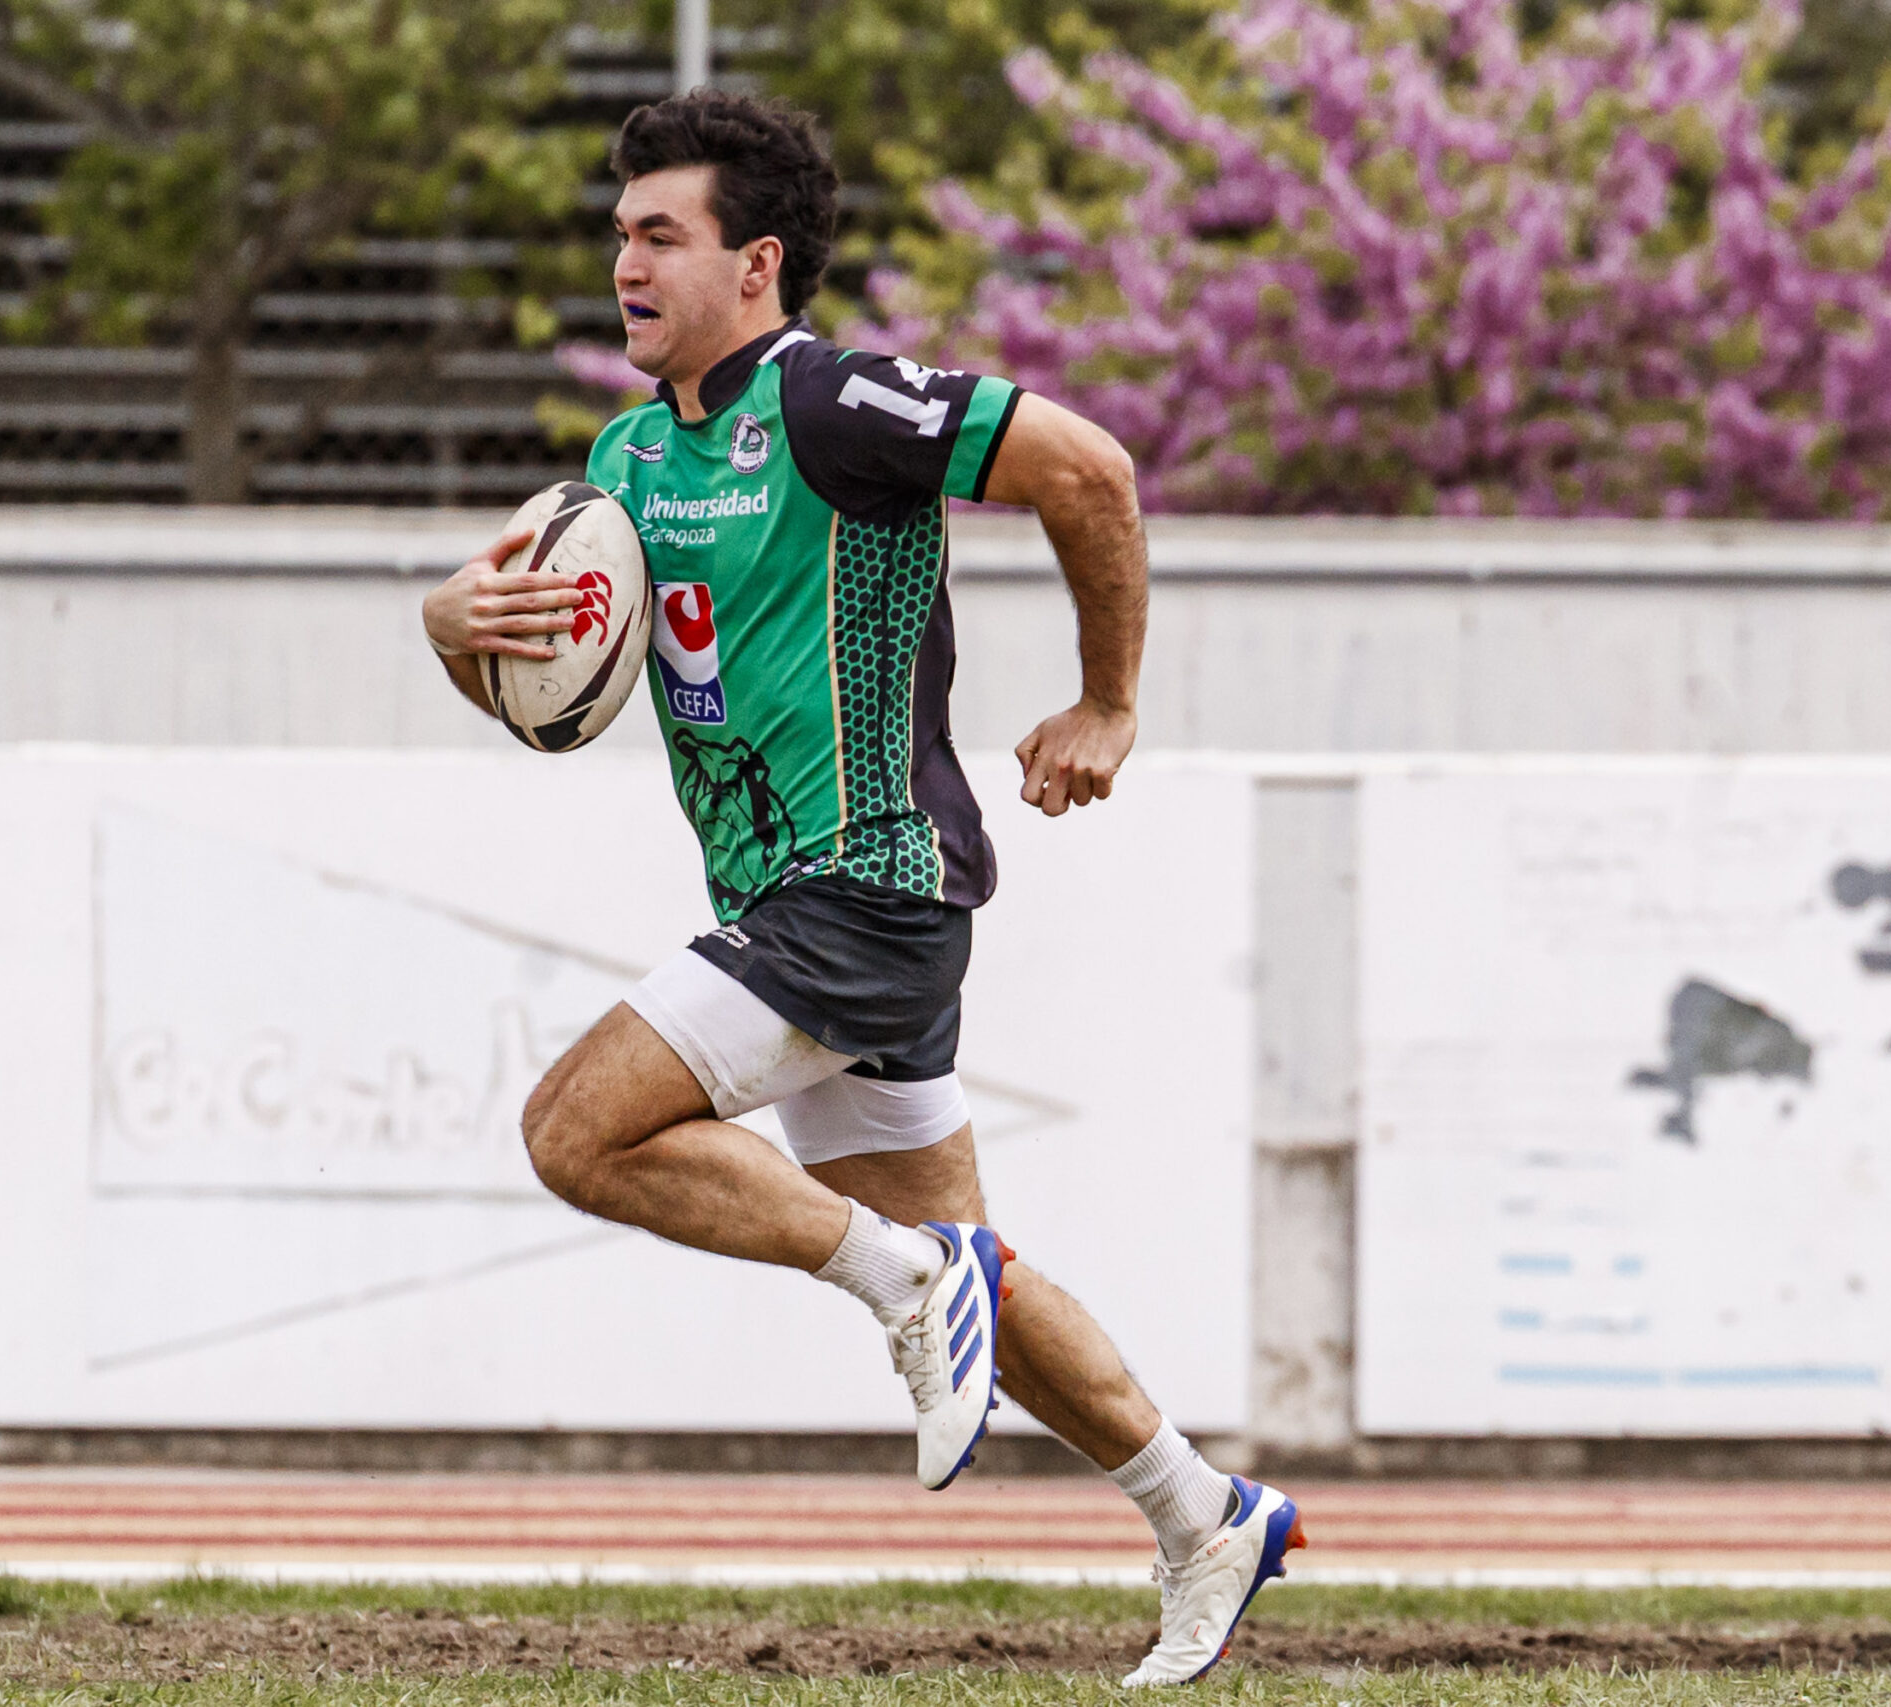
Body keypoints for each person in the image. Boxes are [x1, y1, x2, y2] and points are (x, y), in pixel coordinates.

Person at [420, 90, 1302, 1688]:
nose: (621, 259)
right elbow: (540, 677)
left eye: (658, 234)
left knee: (575, 1131)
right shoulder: (624, 457)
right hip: (809, 904)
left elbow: (1090, 470)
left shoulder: (833, 401)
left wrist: (1108, 702)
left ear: (756, 266)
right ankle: (1206, 1514)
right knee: (992, 1282)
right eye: (618, 232)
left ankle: (902, 1282)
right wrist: (450, 628)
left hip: (869, 888)